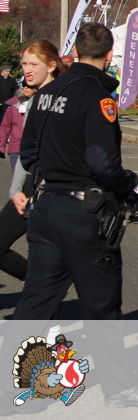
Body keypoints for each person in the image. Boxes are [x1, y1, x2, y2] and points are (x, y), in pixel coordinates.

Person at [14, 22, 138, 408]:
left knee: (34, 304)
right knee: (101, 305)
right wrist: (126, 182)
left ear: (77, 51)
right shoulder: (97, 96)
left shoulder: (46, 94)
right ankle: (120, 389)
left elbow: (28, 154)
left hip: (46, 207)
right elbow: (102, 164)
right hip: (83, 212)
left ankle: (8, 388)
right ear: (109, 55)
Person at [0, 41, 64, 285]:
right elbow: (26, 153)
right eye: (24, 63)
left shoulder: (62, 99)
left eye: (33, 64)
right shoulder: (34, 100)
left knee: (55, 252)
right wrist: (16, 190)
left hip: (54, 189)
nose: (26, 69)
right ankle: (43, 290)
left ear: (51, 66)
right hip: (30, 185)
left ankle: (45, 293)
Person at [0, 88, 23, 171]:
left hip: (34, 149)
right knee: (17, 177)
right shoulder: (13, 106)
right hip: (16, 147)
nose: (26, 88)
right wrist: (1, 146)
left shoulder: (39, 104)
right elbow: (5, 126)